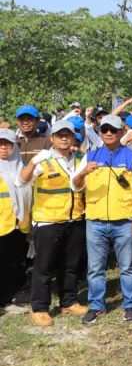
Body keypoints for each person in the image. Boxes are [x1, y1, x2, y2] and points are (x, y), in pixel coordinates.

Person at [70, 115, 132, 324]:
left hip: (124, 220)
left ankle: (130, 305)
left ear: (122, 132)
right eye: (105, 130)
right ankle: (96, 306)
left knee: (128, 266)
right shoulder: (90, 157)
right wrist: (84, 172)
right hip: (95, 221)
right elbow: (75, 185)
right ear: (100, 133)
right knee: (95, 268)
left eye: (113, 130)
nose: (109, 133)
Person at [17, 121, 88, 327]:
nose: (64, 138)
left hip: (73, 219)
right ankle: (39, 307)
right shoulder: (44, 160)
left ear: (74, 138)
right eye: (60, 135)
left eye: (68, 135)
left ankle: (68, 301)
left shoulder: (78, 161)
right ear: (52, 138)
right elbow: (21, 181)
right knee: (44, 266)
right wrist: (32, 164)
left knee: (70, 265)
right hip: (48, 221)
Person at [0, 129, 31, 308]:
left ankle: (11, 296)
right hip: (2, 224)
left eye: (7, 144)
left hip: (19, 225)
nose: (3, 147)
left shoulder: (23, 167)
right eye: (0, 143)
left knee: (15, 262)